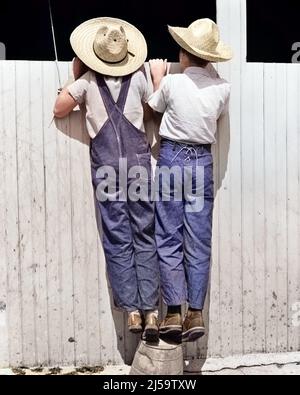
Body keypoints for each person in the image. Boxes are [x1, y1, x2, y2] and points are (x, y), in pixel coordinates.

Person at [54, 17, 159, 342]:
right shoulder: (140, 79)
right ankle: (152, 312)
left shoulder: (85, 82)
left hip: (106, 168)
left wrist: (74, 75)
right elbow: (153, 113)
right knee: (145, 233)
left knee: (117, 235)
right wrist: (155, 80)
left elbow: (59, 109)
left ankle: (130, 309)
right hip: (139, 165)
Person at [148, 18, 233, 342]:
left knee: (168, 234)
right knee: (198, 237)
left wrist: (158, 78)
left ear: (184, 53)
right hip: (201, 164)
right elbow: (215, 114)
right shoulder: (222, 88)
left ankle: (172, 311)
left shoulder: (172, 84)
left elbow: (153, 109)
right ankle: (195, 312)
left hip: (171, 161)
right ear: (211, 57)